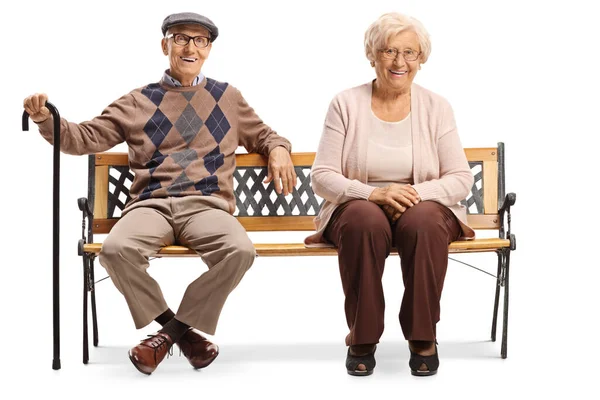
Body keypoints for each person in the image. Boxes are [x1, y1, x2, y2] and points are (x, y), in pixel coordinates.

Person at [23, 12, 296, 375]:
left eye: (200, 40)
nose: (190, 47)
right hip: (150, 206)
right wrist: (46, 119)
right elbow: (83, 137)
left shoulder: (227, 98)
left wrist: (278, 149)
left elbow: (265, 135)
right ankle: (181, 333)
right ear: (164, 44)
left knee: (240, 251)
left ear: (210, 49)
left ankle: (166, 336)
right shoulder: (139, 101)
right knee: (116, 251)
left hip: (206, 206)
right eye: (181, 37)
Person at [305, 12, 475, 377]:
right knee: (364, 220)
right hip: (361, 206)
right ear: (372, 55)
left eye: (409, 53)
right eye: (389, 51)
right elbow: (321, 176)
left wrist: (413, 193)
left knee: (425, 222)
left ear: (421, 59)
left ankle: (422, 335)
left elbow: (461, 178)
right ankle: (363, 336)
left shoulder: (437, 107)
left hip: (422, 205)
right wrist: (372, 194)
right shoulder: (345, 104)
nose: (400, 62)